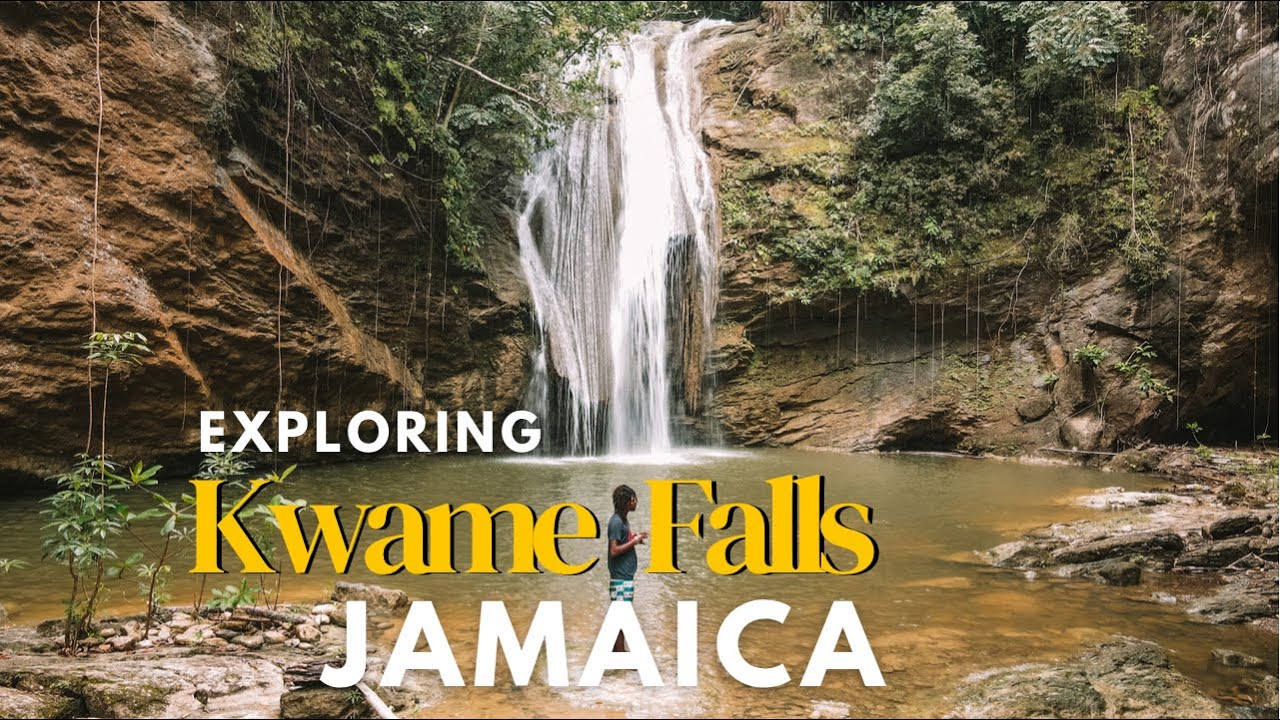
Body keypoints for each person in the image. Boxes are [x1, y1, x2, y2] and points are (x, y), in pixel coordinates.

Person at [607, 484, 648, 652]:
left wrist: (636, 537)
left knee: (622, 617)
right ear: (626, 502)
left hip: (625, 576)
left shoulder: (623, 520)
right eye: (633, 499)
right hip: (620, 578)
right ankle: (619, 654)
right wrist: (635, 541)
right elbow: (614, 550)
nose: (635, 502)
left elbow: (624, 542)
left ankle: (618, 652)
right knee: (622, 618)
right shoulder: (616, 522)